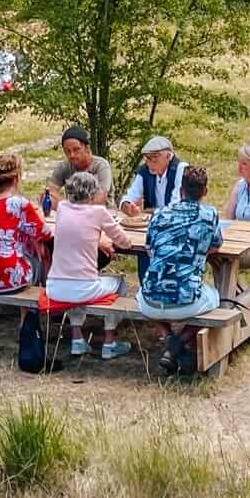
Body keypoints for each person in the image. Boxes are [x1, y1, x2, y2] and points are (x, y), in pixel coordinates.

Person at [136, 165, 224, 375]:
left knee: (140, 295)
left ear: (181, 190)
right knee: (220, 298)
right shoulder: (209, 214)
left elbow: (150, 248)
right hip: (186, 301)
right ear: (204, 191)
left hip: (150, 301)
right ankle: (180, 342)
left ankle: (169, 338)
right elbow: (216, 244)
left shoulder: (159, 214)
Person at [45, 170, 132, 360]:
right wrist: (105, 240)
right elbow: (125, 242)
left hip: (55, 286)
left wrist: (96, 239)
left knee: (76, 285)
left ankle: (77, 339)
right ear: (92, 193)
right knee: (120, 283)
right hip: (83, 287)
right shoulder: (99, 212)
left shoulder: (63, 208)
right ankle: (109, 341)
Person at [0, 152, 50, 293]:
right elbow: (45, 233)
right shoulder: (19, 203)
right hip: (10, 281)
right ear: (16, 178)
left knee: (27, 243)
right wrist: (39, 214)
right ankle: (45, 298)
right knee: (43, 252)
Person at [120, 135, 184, 217]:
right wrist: (126, 205)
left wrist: (152, 211)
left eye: (154, 157)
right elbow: (131, 195)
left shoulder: (181, 169)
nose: (149, 163)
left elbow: (176, 205)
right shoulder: (144, 171)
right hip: (151, 222)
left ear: (168, 156)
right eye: (147, 158)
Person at [48, 125, 113, 205]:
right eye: (67, 151)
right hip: (72, 211)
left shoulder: (101, 166)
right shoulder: (63, 167)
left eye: (76, 149)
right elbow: (49, 194)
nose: (72, 155)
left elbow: (99, 199)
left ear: (87, 148)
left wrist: (67, 205)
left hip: (101, 211)